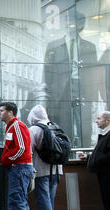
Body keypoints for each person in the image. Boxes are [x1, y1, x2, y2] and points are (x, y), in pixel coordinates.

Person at [44, 10, 97, 147]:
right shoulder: (53, 46)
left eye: (74, 22)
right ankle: (64, 149)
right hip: (61, 90)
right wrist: (49, 93)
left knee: (84, 122)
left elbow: (93, 74)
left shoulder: (90, 46)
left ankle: (84, 150)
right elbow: (47, 71)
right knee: (64, 122)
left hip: (82, 88)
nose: (71, 25)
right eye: (68, 22)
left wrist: (93, 95)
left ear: (81, 24)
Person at [0, 102, 33, 210]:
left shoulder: (16, 126)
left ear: (11, 112)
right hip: (19, 168)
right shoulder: (12, 127)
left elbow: (21, 148)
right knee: (20, 202)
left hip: (19, 168)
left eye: (2, 111)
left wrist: (7, 160)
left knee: (17, 202)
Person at [27, 105, 62, 210]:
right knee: (49, 199)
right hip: (57, 169)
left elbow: (28, 151)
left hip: (41, 170)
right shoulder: (55, 126)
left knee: (43, 199)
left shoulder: (34, 129)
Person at [85, 111, 110, 210]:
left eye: (99, 118)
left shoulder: (108, 135)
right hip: (104, 172)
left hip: (107, 172)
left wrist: (97, 159)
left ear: (108, 120)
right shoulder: (104, 134)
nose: (96, 121)